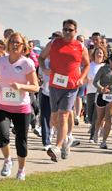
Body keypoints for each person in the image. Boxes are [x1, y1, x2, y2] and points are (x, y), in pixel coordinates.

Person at [38, 19, 90, 162]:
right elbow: (41, 58)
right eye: (65, 29)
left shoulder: (80, 47)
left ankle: (57, 147)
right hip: (55, 85)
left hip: (71, 87)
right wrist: (44, 69)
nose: (67, 32)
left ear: (75, 32)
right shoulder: (54, 44)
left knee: (63, 117)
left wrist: (82, 78)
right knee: (54, 119)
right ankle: (67, 140)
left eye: (70, 30)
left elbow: (86, 65)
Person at [0, 32, 39, 180]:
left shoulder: (27, 63)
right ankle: (7, 160)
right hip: (2, 105)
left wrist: (21, 87)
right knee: (2, 136)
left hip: (21, 107)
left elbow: (36, 87)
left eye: (18, 42)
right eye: (12, 42)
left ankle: (21, 170)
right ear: (8, 44)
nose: (15, 44)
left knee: (21, 141)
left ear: (23, 46)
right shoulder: (1, 61)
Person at [85, 47, 106, 142]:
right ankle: (97, 128)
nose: (99, 55)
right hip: (90, 92)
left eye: (101, 53)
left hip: (100, 93)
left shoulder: (105, 67)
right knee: (90, 115)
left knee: (96, 115)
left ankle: (93, 136)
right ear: (94, 55)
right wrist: (86, 80)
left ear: (103, 55)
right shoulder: (90, 66)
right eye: (97, 53)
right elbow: (84, 78)